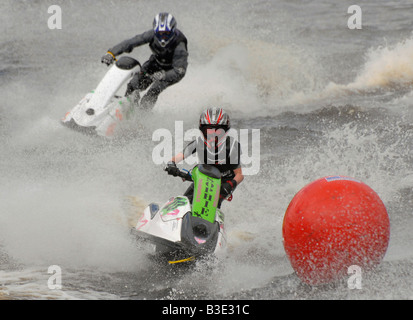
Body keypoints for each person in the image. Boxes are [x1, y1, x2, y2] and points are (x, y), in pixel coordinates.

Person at [101, 12, 188, 109]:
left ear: (173, 31)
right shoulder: (151, 35)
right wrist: (111, 53)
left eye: (166, 34)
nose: (163, 37)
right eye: (160, 34)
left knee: (152, 92)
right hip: (155, 64)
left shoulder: (180, 46)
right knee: (133, 85)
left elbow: (180, 71)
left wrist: (164, 75)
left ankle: (142, 119)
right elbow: (131, 42)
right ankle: (127, 109)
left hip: (171, 71)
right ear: (155, 31)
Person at [165, 107, 244, 208]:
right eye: (209, 130)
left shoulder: (232, 146)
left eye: (218, 131)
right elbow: (175, 158)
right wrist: (171, 165)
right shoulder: (198, 143)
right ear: (202, 130)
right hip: (203, 179)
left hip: (224, 183)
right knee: (184, 203)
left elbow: (239, 175)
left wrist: (230, 185)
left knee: (211, 206)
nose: (214, 134)